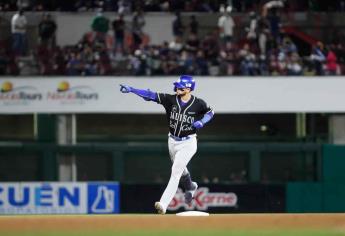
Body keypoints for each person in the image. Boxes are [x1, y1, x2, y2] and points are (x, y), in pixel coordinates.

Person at [119, 75, 214, 214]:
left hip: (188, 142)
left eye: (180, 86)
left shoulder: (198, 103)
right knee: (180, 169)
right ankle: (191, 186)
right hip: (172, 140)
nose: (177, 88)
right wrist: (132, 89)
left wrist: (202, 122)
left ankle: (163, 204)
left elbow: (210, 112)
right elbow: (151, 94)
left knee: (175, 172)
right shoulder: (170, 99)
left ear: (188, 88)